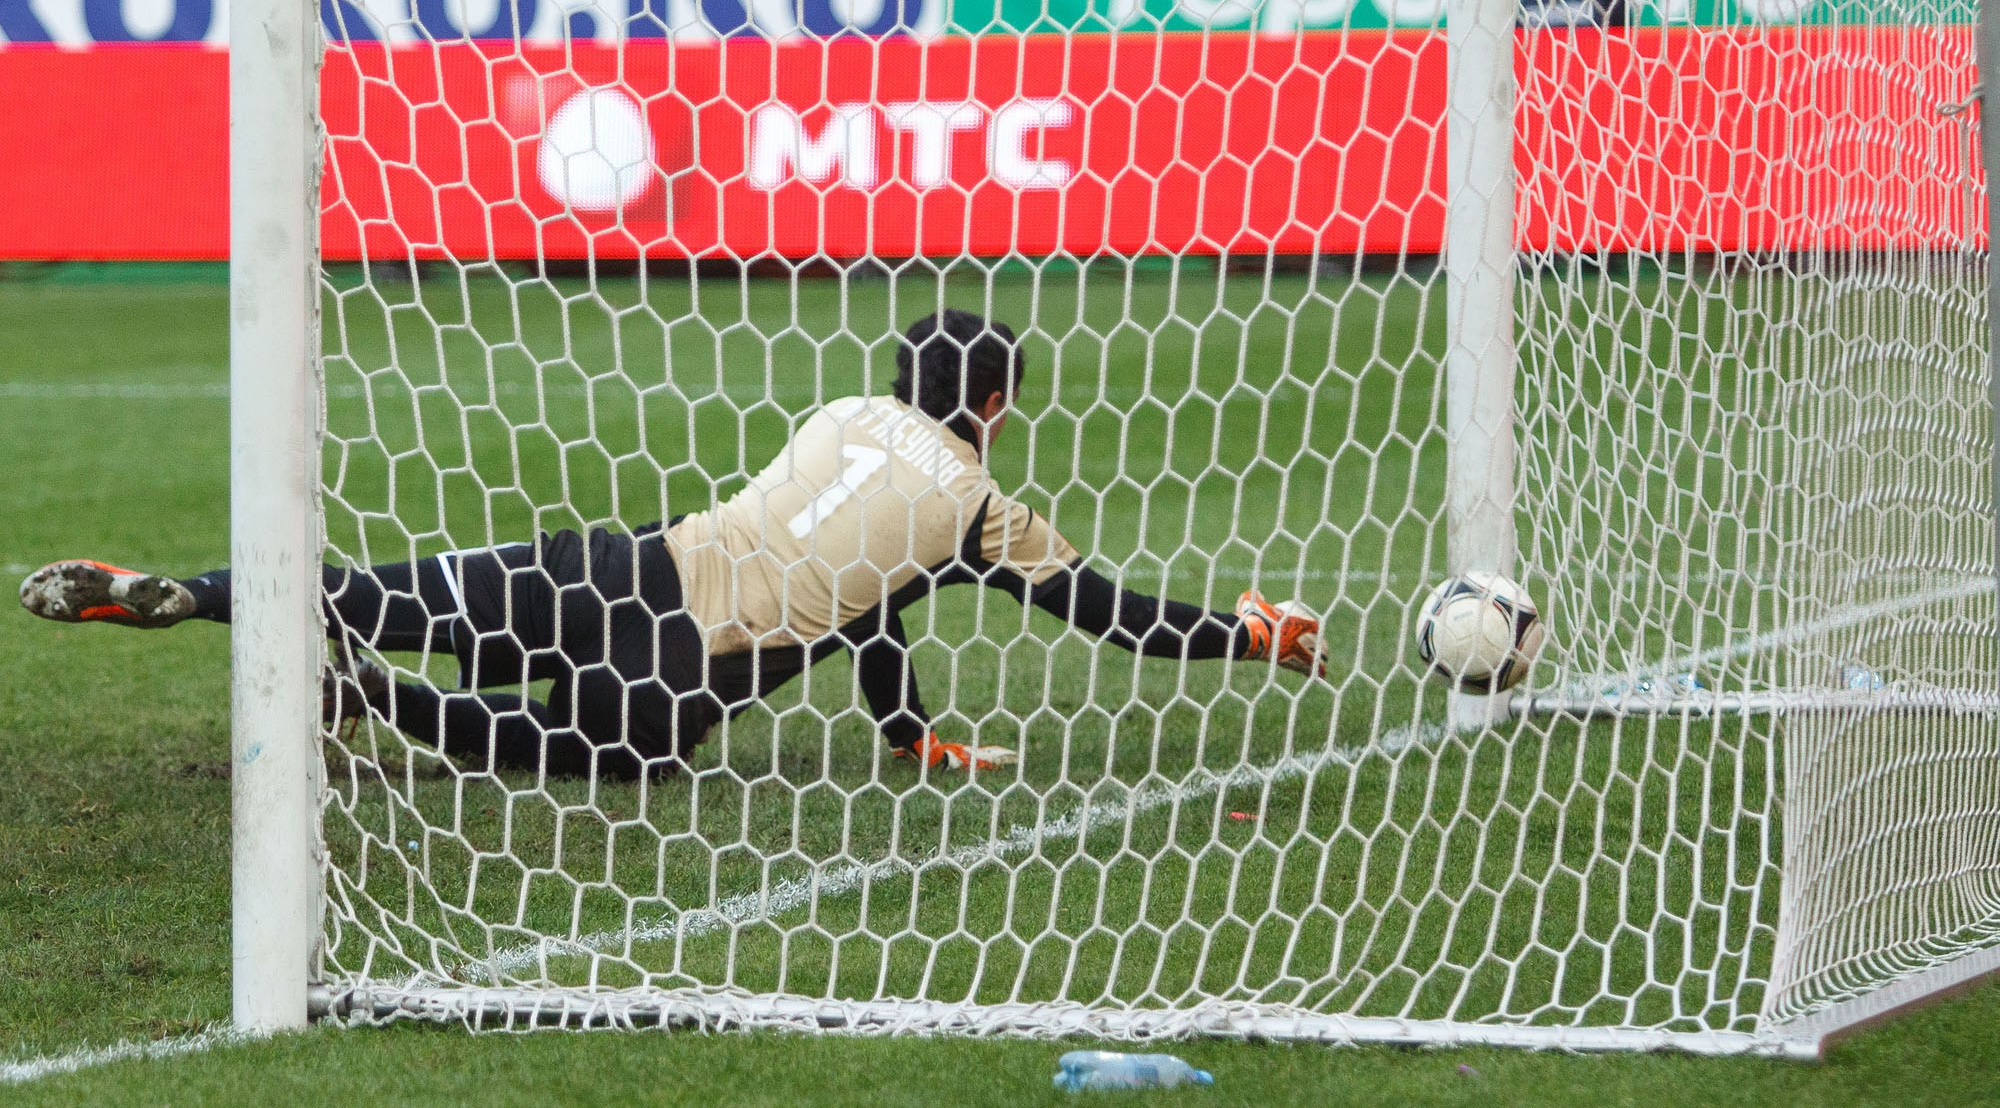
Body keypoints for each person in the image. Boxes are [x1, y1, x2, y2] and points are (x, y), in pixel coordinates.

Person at [21, 310, 1326, 781]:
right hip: (688, 660)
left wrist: (902, 724)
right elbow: (1105, 612)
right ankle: (386, 698)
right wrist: (1247, 634)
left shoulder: (843, 410)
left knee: (387, 588)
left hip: (623, 561)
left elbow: (882, 609)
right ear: (993, 403)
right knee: (603, 754)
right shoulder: (980, 511)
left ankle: (187, 593)